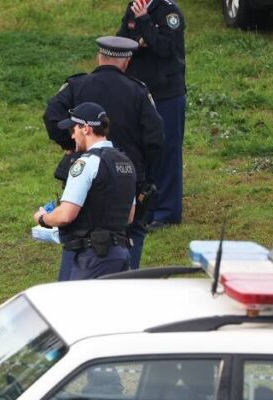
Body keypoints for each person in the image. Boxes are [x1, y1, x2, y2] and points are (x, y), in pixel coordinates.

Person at [44, 36, 163, 275]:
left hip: (86, 172)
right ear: (127, 61)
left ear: (100, 57)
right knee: (129, 234)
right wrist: (138, 165)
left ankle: (69, 289)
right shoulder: (138, 91)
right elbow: (156, 139)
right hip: (128, 176)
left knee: (78, 233)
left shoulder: (78, 85)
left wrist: (73, 146)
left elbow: (51, 116)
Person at [33, 103, 137, 280]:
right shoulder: (125, 162)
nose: (72, 136)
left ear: (86, 129)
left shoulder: (86, 163)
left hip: (93, 258)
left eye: (74, 129)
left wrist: (43, 219)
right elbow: (129, 216)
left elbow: (66, 215)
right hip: (121, 254)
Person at [117, 0, 186, 229]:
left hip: (166, 94)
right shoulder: (132, 7)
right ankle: (147, 208)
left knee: (167, 151)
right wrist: (144, 40)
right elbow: (123, 43)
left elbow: (165, 48)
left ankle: (167, 213)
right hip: (139, 92)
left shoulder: (169, 12)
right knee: (143, 151)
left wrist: (145, 23)